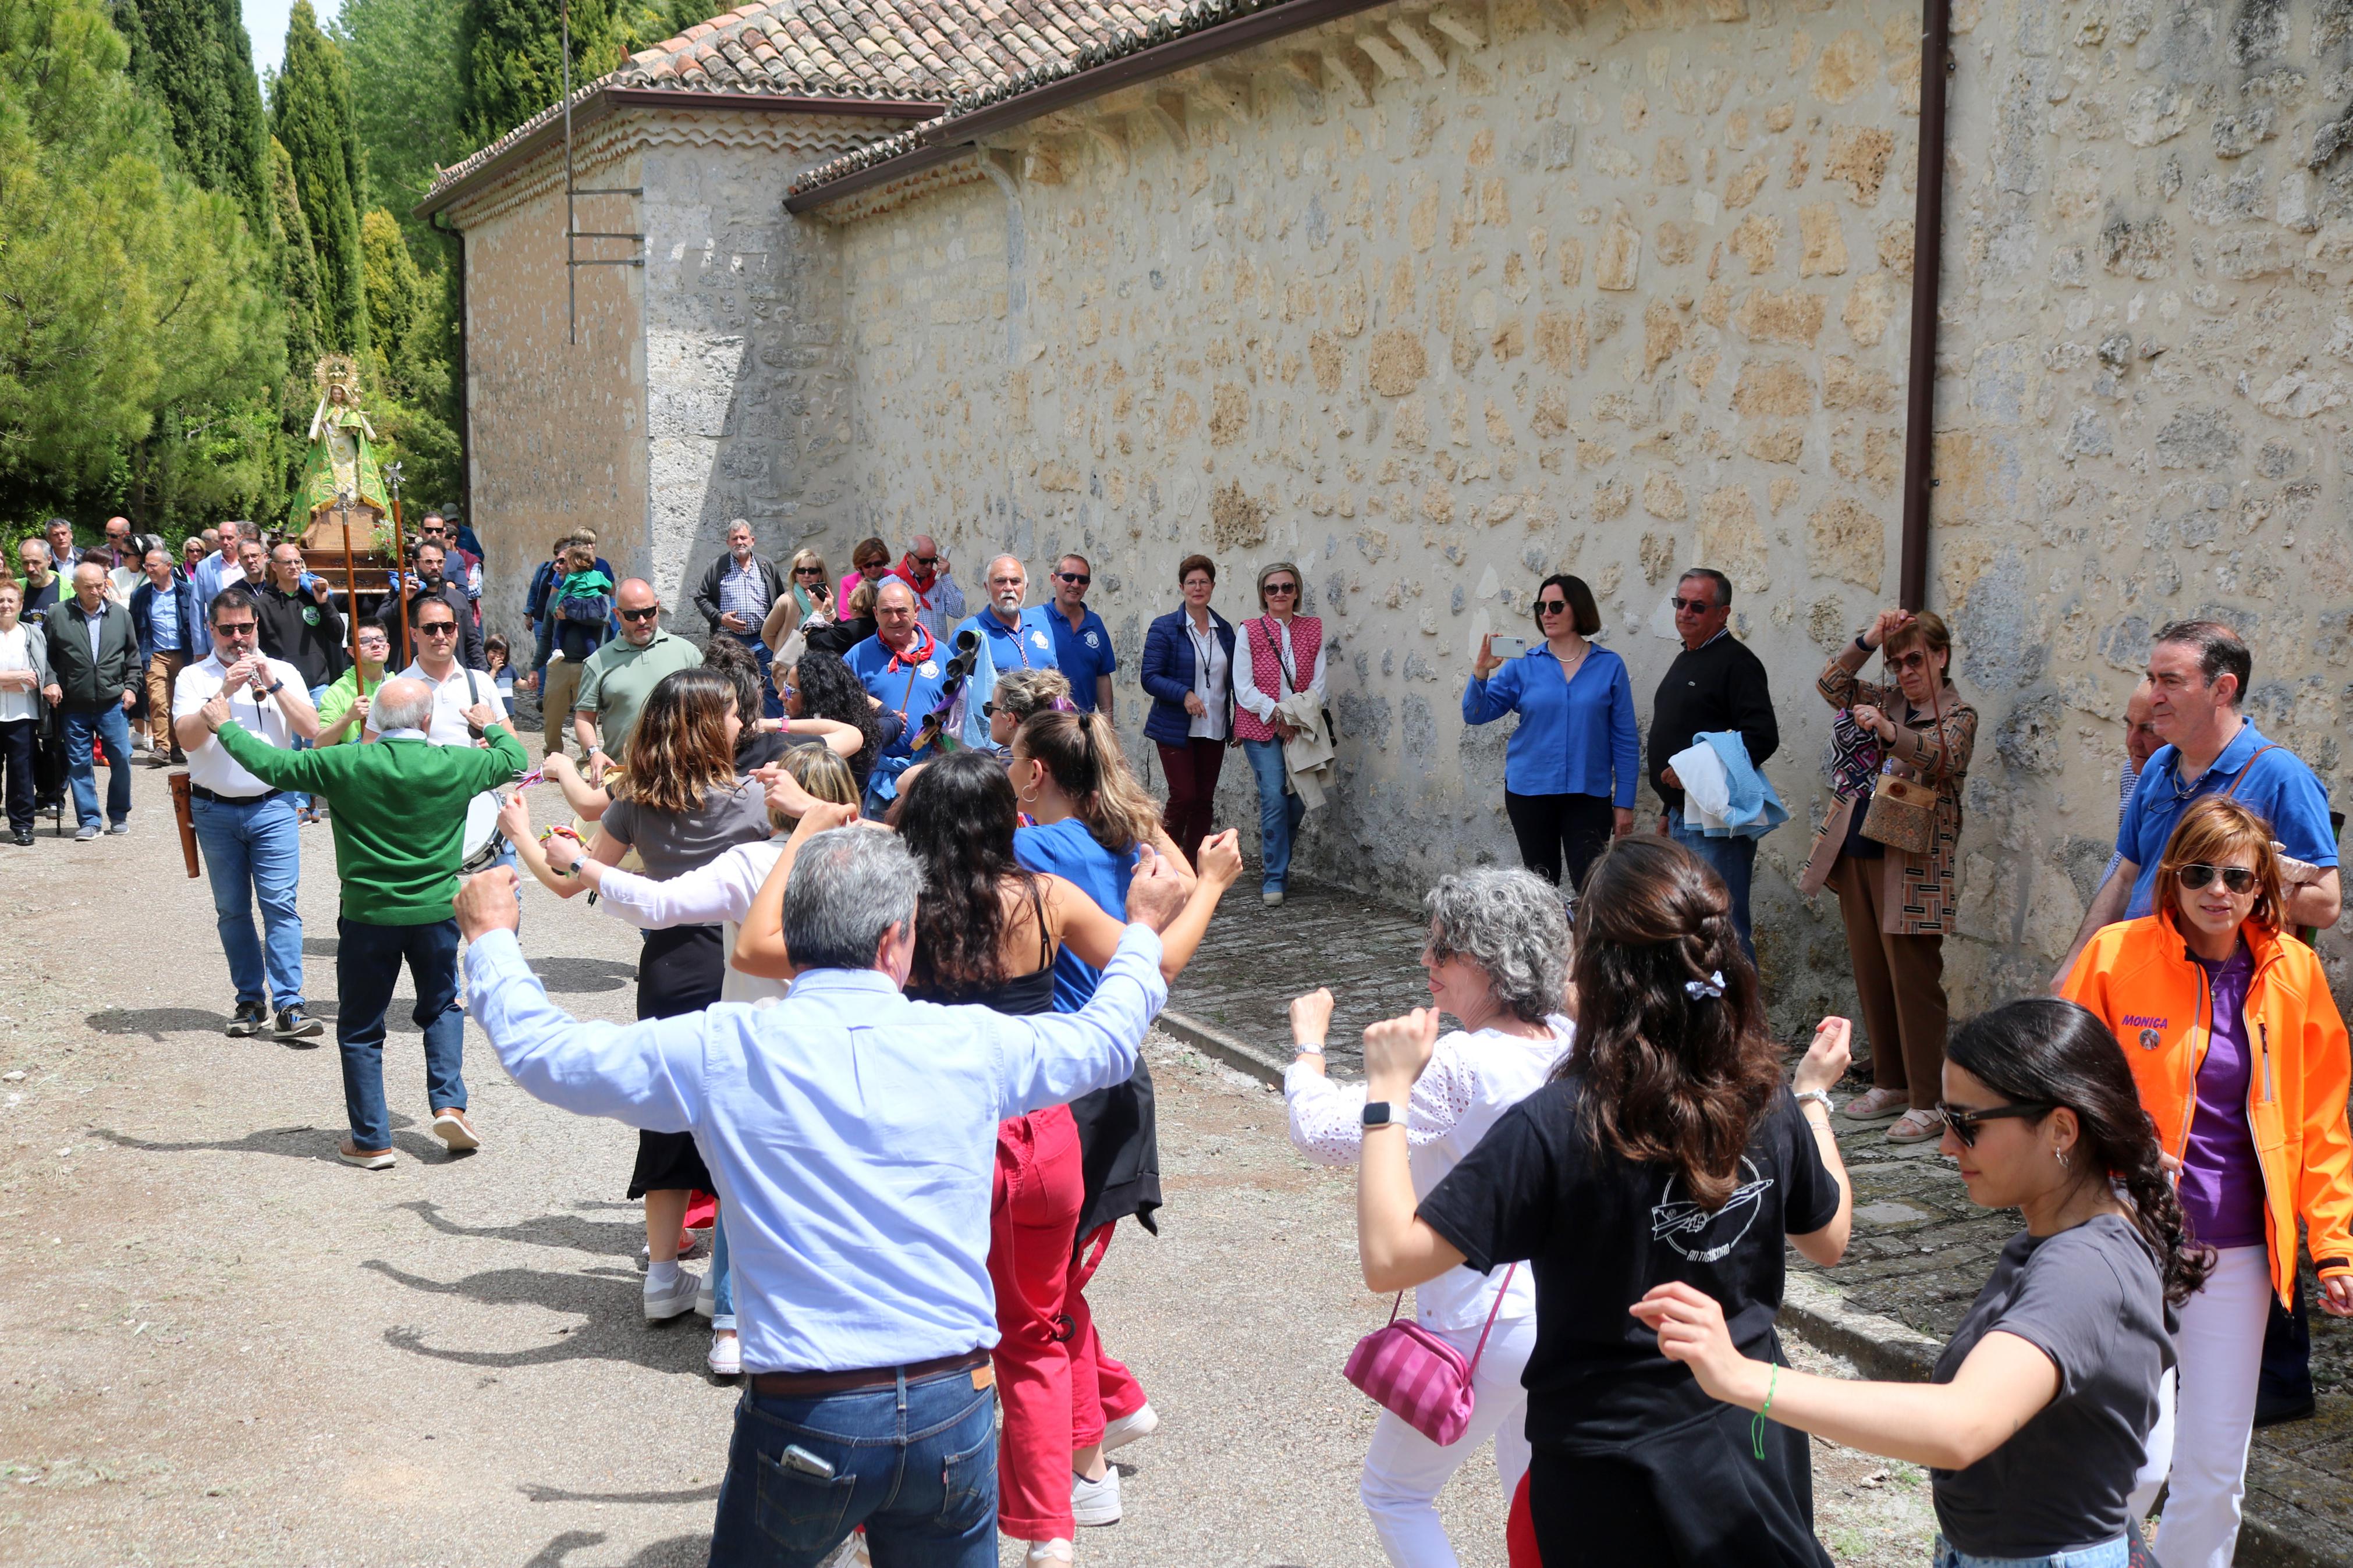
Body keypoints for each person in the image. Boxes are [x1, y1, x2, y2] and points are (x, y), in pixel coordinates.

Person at [457, 821, 1189, 1567]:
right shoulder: (972, 1044)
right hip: (953, 1403)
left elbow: (545, 1054)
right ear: (893, 939)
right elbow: (1104, 1040)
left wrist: (491, 939)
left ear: (793, 930)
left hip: (808, 1411)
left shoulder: (723, 1047)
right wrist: (1140, 928)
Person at [1356, 836, 1854, 1566]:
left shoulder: (1561, 1121)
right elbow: (1828, 1238)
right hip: (1747, 1428)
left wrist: (1385, 1094)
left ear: (1592, 966)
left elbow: (1390, 1258)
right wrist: (1812, 1098)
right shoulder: (1762, 1095)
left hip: (1609, 1460)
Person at [1640, 997, 2205, 1568]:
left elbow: (1962, 1423)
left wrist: (1741, 1377)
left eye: (1967, 1124)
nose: (1945, 1144)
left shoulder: (2082, 1269)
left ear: (2060, 1128)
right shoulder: (2083, 1219)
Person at [882, 751, 1238, 1566]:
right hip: (1041, 1134)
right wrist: (1207, 886)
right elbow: (1155, 967)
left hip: (935, 1133)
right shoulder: (1045, 899)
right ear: (1003, 819)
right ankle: (1048, 1531)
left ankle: (899, 1517)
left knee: (920, 1336)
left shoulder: (893, 908)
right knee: (1034, 1333)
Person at [2060, 797, 2353, 1568]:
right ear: (2172, 875)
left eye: (2236, 873)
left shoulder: (2294, 974)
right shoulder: (2113, 957)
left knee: (2213, 1471)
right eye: (2198, 870)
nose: (2216, 888)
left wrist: (2330, 1248)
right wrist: (2114, 1150)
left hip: (2239, 1252)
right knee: (2137, 1462)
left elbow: (2320, 1120)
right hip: (2125, 1236)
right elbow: (2055, 1083)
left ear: (2262, 886)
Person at [1284, 868, 1573, 1568]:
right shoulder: (1569, 1038)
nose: (1425, 962)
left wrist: (1307, 1047)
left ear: (1491, 962)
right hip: (1564, 1310)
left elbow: (1321, 1132)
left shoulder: (1463, 1063)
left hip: (1485, 1314)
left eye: (1442, 951)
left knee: (1393, 1493)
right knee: (1533, 1502)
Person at [513, 668, 775, 1359]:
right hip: (736, 965)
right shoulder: (754, 800)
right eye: (729, 715)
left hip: (665, 968)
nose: (740, 723)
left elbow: (574, 883)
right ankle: (729, 1297)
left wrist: (518, 834)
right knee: (736, 1120)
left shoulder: (633, 797)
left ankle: (663, 1277)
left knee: (666, 1113)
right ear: (700, 723)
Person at [1004, 712, 1223, 1527]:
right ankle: (1117, 1400)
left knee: (1041, 1290)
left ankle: (1087, 1464)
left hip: (1081, 1094)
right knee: (1049, 1277)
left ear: (1033, 776)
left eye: (1010, 754)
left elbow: (1158, 961)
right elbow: (1170, 919)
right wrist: (1160, 833)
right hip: (1106, 1081)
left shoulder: (1033, 852)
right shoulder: (1125, 849)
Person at [201, 674, 523, 1167]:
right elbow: (516, 761)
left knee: (360, 1027)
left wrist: (226, 728)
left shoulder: (344, 762)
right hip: (436, 910)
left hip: (368, 913)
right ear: (428, 719)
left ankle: (372, 1138)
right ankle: (450, 1103)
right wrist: (488, 726)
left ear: (373, 721)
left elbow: (273, 764)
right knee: (440, 1007)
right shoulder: (457, 762)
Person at [2053, 620, 2340, 986]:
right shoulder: (2160, 764)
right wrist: (2075, 965)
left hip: (2219, 994)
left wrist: (2239, 884)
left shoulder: (2282, 776)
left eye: (2170, 682)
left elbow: (2327, 904)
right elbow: (2126, 878)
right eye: (2153, 679)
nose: (2154, 695)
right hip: (2139, 976)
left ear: (2222, 689)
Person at [1801, 607, 1979, 1146]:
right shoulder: (1883, 697)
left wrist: (1889, 730)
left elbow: (1939, 757)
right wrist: (1866, 637)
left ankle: (1929, 1099)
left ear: (1941, 657)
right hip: (1856, 850)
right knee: (1872, 970)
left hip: (1914, 863)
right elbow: (1830, 683)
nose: (1904, 670)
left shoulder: (1959, 713)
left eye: (1915, 659)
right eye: (1896, 661)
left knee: (1913, 979)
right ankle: (1890, 1082)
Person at [169, 586, 324, 1041]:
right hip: (215, 809)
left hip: (273, 804)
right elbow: (187, 739)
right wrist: (224, 690)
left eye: (246, 627)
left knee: (280, 906)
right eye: (228, 629)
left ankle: (290, 1004)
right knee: (233, 911)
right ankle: (249, 1001)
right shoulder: (194, 677)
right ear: (211, 629)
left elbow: (312, 729)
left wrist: (271, 683)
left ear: (257, 626)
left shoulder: (284, 671)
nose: (238, 638)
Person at [1462, 573, 1637, 898]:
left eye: (1556, 605)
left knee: (1594, 887)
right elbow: (1475, 714)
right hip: (1530, 794)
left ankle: (1589, 950)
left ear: (1579, 609)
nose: (1547, 613)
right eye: (1541, 607)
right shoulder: (1524, 665)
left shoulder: (1609, 666)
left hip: (1588, 795)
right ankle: (1545, 950)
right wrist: (1481, 673)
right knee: (1540, 890)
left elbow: (1625, 740)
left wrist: (1624, 803)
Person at [1646, 567, 1778, 959]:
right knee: (1691, 931)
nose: (1685, 612)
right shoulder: (1688, 656)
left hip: (1715, 822)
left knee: (1725, 931)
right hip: (1684, 815)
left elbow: (1761, 736)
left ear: (1722, 613)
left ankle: (1745, 1023)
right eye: (1680, 603)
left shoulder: (1737, 662)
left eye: (1698, 606)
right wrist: (1667, 808)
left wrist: (1691, 772)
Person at [1231, 560, 1332, 907]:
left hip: (1302, 726)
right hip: (1259, 727)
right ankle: (1274, 877)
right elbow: (1243, 687)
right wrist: (1278, 716)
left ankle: (1280, 866)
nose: (1280, 594)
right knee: (1274, 795)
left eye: (1287, 588)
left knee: (1296, 799)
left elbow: (1319, 687)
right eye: (1272, 588)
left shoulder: (1313, 628)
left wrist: (1296, 717)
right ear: (1263, 593)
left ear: (1297, 592)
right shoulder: (1249, 630)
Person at [1140, 553, 1236, 858]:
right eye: (1191, 582)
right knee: (1184, 795)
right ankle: (1160, 861)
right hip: (1175, 727)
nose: (1198, 587)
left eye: (1203, 582)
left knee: (1204, 800)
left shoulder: (1226, 631)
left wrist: (1239, 722)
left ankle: (1195, 872)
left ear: (1213, 586)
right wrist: (1184, 694)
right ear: (1182, 587)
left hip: (1215, 726)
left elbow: (1235, 679)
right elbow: (1150, 677)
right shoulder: (1164, 627)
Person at [43, 560, 140, 841]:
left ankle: (119, 814)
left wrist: (132, 688)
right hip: (74, 703)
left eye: (100, 585)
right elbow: (46, 656)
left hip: (112, 702)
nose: (96, 591)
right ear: (75, 588)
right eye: (89, 587)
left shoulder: (121, 615)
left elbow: (133, 658)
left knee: (122, 757)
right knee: (79, 763)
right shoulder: (58, 615)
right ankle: (89, 820)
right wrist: (51, 681)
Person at [253, 540, 348, 823]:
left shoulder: (314, 597)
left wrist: (324, 603)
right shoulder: (263, 603)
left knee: (318, 743)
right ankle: (298, 804)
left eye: (298, 562)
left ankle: (319, 798)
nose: (295, 567)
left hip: (318, 681)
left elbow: (336, 633)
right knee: (291, 746)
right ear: (274, 567)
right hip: (284, 685)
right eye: (288, 563)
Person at [573, 579, 703, 784]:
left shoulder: (688, 653)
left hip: (681, 773)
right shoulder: (597, 662)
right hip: (624, 775)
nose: (642, 621)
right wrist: (593, 752)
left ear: (657, 607)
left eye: (649, 612)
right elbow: (584, 717)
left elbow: (709, 710)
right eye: (632, 615)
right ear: (617, 615)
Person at [953, 556, 1062, 748]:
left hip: (1045, 739)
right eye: (1000, 581)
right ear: (987, 587)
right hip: (996, 748)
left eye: (1015, 581)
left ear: (1026, 587)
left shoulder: (1041, 624)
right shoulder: (969, 633)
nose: (1009, 587)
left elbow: (1055, 677)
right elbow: (950, 690)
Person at [370, 599, 507, 746]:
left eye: (447, 627)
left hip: (476, 769)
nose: (440, 636)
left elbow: (510, 736)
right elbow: (371, 746)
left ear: (456, 631)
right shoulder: (392, 689)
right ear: (414, 634)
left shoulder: (482, 681)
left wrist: (495, 741)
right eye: (430, 628)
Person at [844, 579, 947, 766]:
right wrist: (880, 718)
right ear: (876, 614)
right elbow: (840, 709)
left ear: (916, 611)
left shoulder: (941, 654)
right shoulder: (857, 657)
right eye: (886, 612)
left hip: (932, 770)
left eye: (902, 610)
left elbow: (959, 709)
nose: (894, 619)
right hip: (877, 769)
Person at [693, 520, 785, 711]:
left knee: (771, 686)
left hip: (763, 640)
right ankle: (740, 727)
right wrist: (720, 618)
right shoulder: (717, 567)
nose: (739, 542)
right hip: (731, 642)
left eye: (743, 537)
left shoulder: (766, 565)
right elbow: (702, 598)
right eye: (734, 539)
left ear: (752, 540)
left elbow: (780, 598)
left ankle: (773, 729)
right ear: (728, 542)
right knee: (733, 686)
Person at [535, 540, 614, 760]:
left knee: (588, 717)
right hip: (559, 665)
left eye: (564, 561)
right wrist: (535, 667)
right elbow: (547, 634)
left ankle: (589, 758)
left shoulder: (597, 593)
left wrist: (569, 613)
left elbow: (600, 617)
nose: (560, 566)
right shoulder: (556, 597)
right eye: (558, 561)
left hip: (587, 666)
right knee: (552, 718)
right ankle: (552, 757)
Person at [129, 545, 206, 766]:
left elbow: (199, 623)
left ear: (169, 567)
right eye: (146, 566)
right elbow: (135, 628)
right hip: (154, 654)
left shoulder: (188, 592)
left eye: (153, 566)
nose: (149, 570)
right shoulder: (140, 595)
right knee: (158, 701)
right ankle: (162, 747)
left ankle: (176, 746)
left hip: (183, 654)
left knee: (179, 702)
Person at [782, 646, 893, 794]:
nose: (781, 696)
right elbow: (894, 719)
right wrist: (849, 693)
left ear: (815, 697)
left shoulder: (802, 746)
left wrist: (774, 725)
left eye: (790, 690)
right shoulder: (871, 731)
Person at [0, 582, 55, 846]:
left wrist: (14, 680)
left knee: (21, 771)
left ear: (21, 606)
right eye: (1, 600)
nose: (5, 605)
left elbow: (37, 675)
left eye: (11, 601)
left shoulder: (32, 634)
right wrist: (17, 677)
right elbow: (26, 677)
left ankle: (22, 825)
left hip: (23, 714)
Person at [392, 542, 484, 670]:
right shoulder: (401, 594)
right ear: (415, 563)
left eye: (440, 562)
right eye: (429, 562)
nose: (435, 567)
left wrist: (484, 676)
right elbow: (382, 624)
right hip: (412, 677)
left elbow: (473, 642)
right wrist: (401, 601)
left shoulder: (458, 599)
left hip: (451, 677)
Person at [1044, 553, 1115, 716]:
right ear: (1054, 579)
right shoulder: (1035, 620)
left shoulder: (1095, 623)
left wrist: (1108, 724)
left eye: (1082, 580)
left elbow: (1102, 676)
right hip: (1043, 729)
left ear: (1088, 585)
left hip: (1082, 727)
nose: (1075, 584)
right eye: (1069, 577)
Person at [315, 621, 391, 746]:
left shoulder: (399, 683)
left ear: (388, 647)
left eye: (380, 639)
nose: (375, 644)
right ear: (351, 651)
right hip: (355, 762)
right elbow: (319, 744)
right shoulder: (338, 691)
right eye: (366, 641)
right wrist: (349, 717)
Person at [759, 547, 835, 667]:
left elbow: (833, 630)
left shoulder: (825, 600)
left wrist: (827, 609)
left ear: (820, 574)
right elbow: (767, 634)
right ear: (795, 574)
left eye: (812, 571)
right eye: (801, 570)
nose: (806, 575)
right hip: (790, 669)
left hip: (819, 666)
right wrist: (784, 653)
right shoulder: (786, 601)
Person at [890, 534, 967, 642]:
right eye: (923, 561)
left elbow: (958, 612)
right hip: (908, 653)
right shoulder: (891, 585)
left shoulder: (940, 583)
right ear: (909, 556)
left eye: (932, 561)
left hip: (937, 653)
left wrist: (946, 576)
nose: (928, 566)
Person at [805, 578, 878, 659]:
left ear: (856, 604)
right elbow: (839, 631)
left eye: (850, 596)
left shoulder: (851, 630)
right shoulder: (873, 623)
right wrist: (828, 610)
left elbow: (815, 642)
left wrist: (817, 610)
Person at [836, 534, 892, 608]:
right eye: (868, 565)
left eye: (878, 563)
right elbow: (846, 615)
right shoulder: (848, 582)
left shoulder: (895, 578)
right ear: (860, 565)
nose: (873, 568)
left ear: (883, 562)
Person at [16, 538, 61, 627]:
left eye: (36, 562)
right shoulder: (14, 588)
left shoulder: (69, 588)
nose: (30, 569)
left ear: (49, 560)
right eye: (25, 563)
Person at [484, 634, 515, 701]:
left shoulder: (509, 669)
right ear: (487, 651)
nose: (498, 656)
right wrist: (494, 670)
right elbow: (486, 684)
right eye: (494, 651)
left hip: (508, 710)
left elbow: (519, 683)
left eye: (502, 653)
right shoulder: (484, 669)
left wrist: (530, 684)